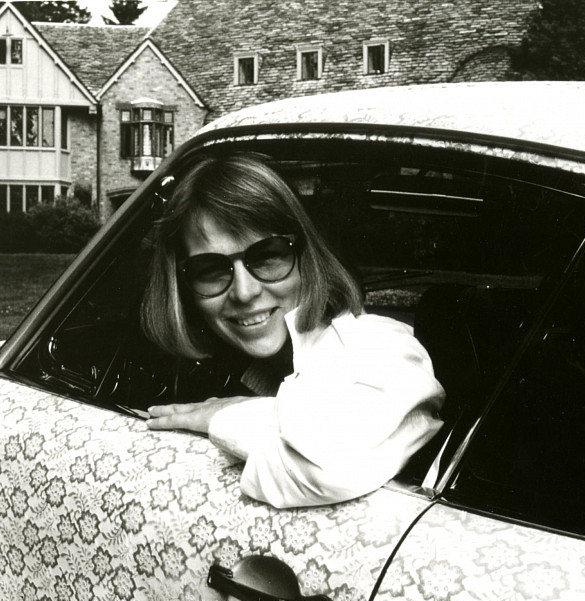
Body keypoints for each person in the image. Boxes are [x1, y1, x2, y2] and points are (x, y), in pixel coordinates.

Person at [139, 152, 445, 508]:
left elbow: (331, 467)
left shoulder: (378, 346)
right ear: (183, 288)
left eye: (267, 256)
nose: (244, 291)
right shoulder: (239, 367)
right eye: (211, 269)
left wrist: (222, 416)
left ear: (307, 258)